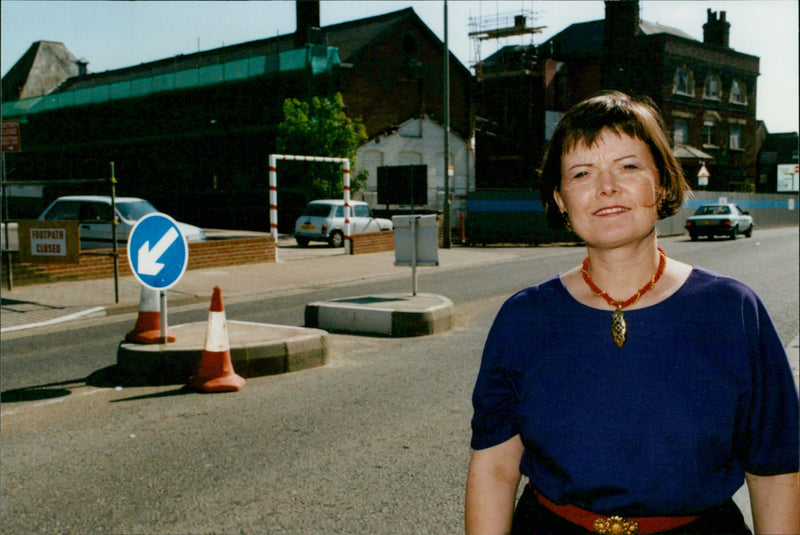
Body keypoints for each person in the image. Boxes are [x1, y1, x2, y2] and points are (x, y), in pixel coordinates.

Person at [465, 91, 799, 535]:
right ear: (561, 199)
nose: (606, 187)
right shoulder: (523, 318)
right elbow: (495, 470)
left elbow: (774, 470)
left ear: (661, 182)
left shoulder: (733, 311)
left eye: (628, 166)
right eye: (582, 173)